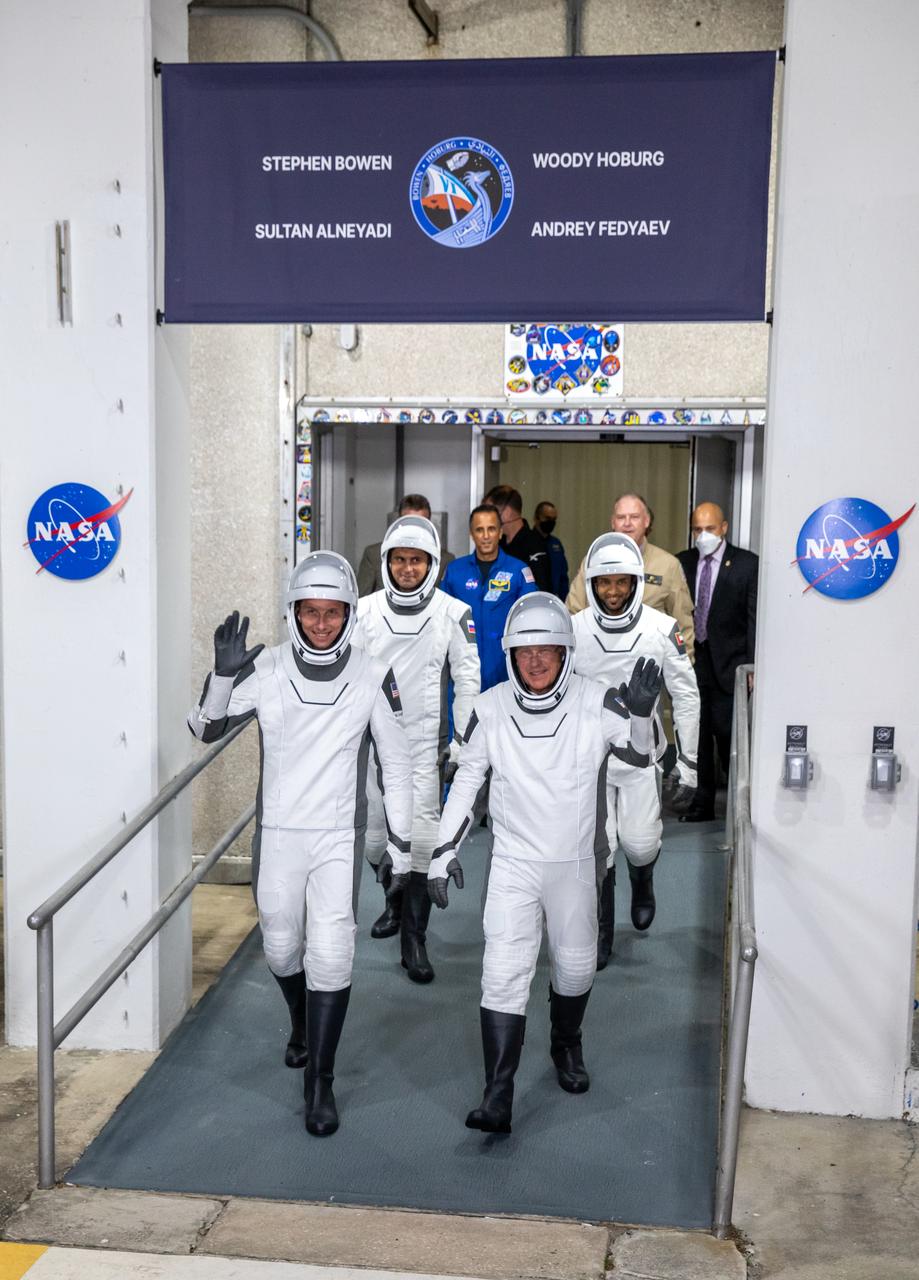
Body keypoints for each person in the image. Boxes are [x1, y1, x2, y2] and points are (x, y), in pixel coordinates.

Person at [188, 553, 413, 1138]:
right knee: (282, 948)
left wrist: (403, 844)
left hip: (338, 838)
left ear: (347, 614)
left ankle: (320, 1083)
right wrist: (221, 675)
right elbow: (204, 729)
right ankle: (299, 1018)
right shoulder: (266, 667)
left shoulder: (371, 672)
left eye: (331, 613)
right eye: (309, 613)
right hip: (281, 836)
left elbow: (398, 762)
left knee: (333, 954)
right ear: (294, 613)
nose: (320, 624)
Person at [427, 593, 663, 1134]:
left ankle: (566, 1043)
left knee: (576, 968)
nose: (536, 661)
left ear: (565, 652)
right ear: (511, 653)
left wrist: (645, 715)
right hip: (513, 864)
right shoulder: (489, 708)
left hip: (575, 865)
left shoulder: (597, 700)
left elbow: (639, 754)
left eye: (548, 650)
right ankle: (498, 1095)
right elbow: (466, 782)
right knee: (502, 974)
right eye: (525, 650)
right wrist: (443, 852)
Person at [353, 515, 480, 982]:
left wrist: (464, 741)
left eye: (417, 560)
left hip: (426, 749)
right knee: (373, 842)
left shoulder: (453, 612)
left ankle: (414, 938)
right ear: (387, 562)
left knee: (422, 844)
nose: (408, 569)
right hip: (371, 748)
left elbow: (468, 679)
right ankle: (392, 897)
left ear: (432, 564)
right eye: (400, 560)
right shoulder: (361, 612)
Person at [572, 533, 700, 968]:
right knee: (599, 848)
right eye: (604, 583)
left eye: (622, 582)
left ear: (635, 583)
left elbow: (686, 695)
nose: (613, 592)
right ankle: (601, 932)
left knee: (640, 844)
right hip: (590, 759)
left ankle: (643, 879)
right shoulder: (572, 629)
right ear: (591, 583)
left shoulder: (661, 629)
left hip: (643, 755)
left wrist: (689, 762)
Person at [676, 502, 758, 822]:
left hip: (730, 662)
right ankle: (702, 803)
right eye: (698, 529)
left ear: (723, 528)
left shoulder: (746, 564)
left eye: (709, 529)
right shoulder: (682, 562)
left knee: (726, 734)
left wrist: (752, 665)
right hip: (694, 660)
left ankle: (739, 805)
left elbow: (753, 619)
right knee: (696, 733)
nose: (703, 535)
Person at [566, 493, 695, 659]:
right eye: (621, 517)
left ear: (646, 522)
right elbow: (573, 613)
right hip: (600, 666)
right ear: (613, 523)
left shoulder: (668, 565)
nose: (627, 523)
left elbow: (683, 626)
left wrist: (682, 673)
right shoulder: (593, 562)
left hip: (650, 669)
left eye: (634, 517)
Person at [439, 503, 537, 690]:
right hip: (462, 676)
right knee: (461, 719)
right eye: (479, 530)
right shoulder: (454, 571)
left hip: (506, 675)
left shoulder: (518, 571)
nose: (485, 536)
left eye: (491, 529)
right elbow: (441, 621)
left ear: (500, 532)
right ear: (471, 534)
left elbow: (530, 622)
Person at [356, 493, 454, 596]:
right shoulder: (374, 554)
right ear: (398, 521)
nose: (413, 529)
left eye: (420, 524)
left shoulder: (445, 559)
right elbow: (361, 600)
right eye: (409, 522)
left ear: (429, 524)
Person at [484, 484, 553, 592]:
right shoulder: (497, 543)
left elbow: (539, 589)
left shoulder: (534, 545)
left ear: (506, 513)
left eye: (490, 511)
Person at [533, 500, 570, 601]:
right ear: (536, 518)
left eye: (554, 519)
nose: (551, 522)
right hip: (534, 599)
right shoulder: (528, 542)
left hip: (554, 599)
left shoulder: (556, 544)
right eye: (547, 518)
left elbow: (563, 577)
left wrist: (564, 601)